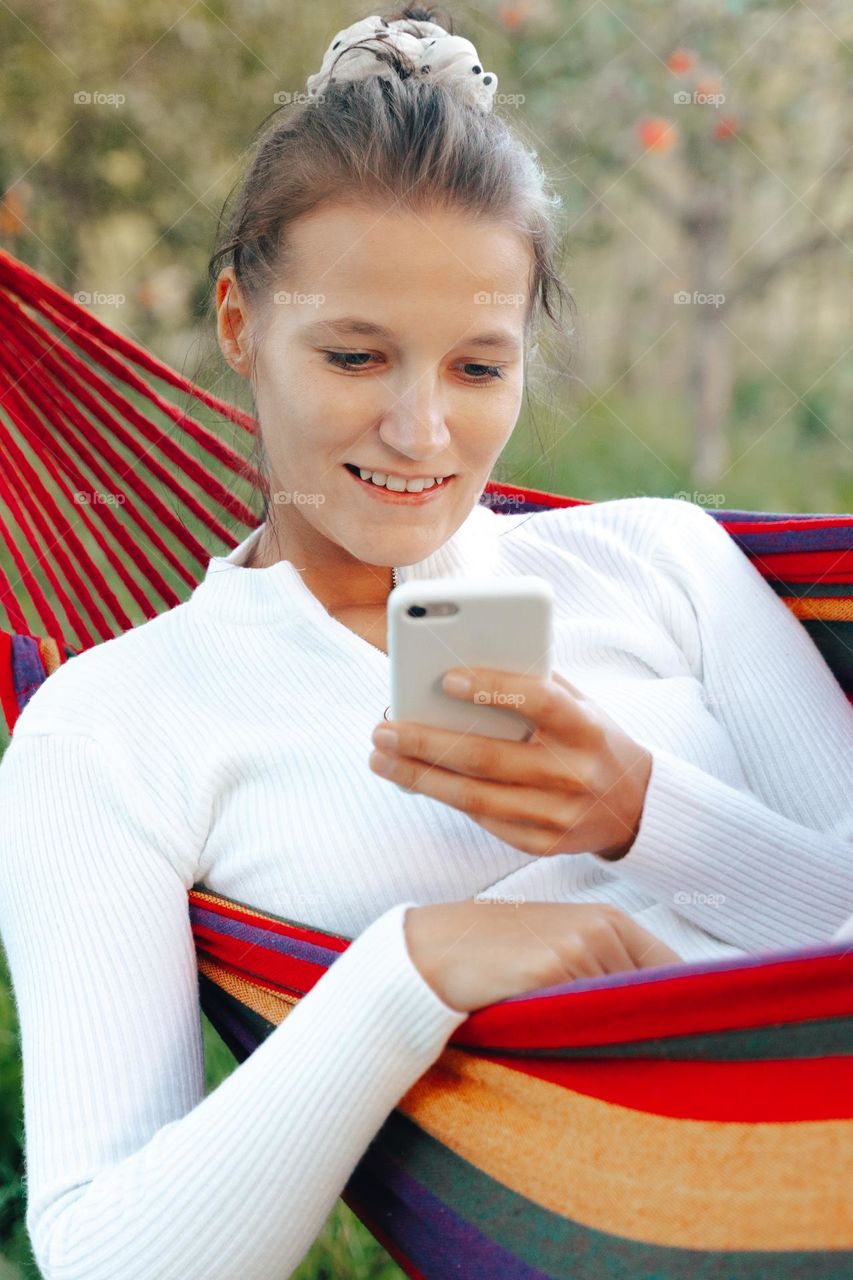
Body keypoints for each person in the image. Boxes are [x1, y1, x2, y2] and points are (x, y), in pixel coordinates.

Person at [1, 7, 852, 1279]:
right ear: (238, 324)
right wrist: (410, 968)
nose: (421, 432)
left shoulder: (663, 563)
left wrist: (641, 812)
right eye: (355, 354)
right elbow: (106, 1254)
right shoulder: (114, 727)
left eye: (477, 366)